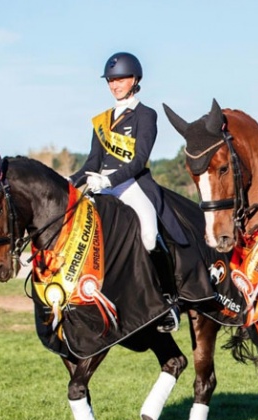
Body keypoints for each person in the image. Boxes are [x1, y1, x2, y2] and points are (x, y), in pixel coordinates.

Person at [69, 52, 180, 332]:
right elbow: (92, 163)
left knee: (148, 235)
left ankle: (170, 300)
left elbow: (139, 160)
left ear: (135, 80)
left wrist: (109, 181)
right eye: (111, 80)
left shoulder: (146, 115)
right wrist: (70, 182)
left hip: (130, 185)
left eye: (120, 79)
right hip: (100, 186)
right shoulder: (101, 120)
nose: (114, 84)